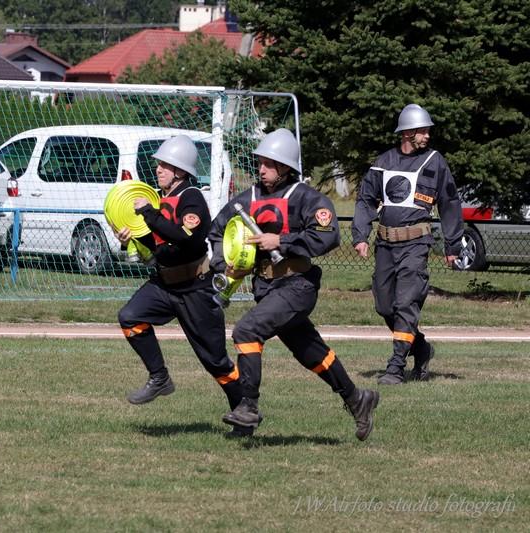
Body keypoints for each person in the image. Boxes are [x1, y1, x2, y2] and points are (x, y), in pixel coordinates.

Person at [208, 128, 379, 441]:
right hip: (266, 289)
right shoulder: (247, 199)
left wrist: (281, 241)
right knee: (310, 351)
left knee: (246, 330)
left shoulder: (307, 198)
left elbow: (328, 236)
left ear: (285, 167)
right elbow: (217, 232)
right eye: (260, 162)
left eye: (269, 163)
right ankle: (358, 399)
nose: (261, 169)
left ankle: (248, 407)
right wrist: (224, 262)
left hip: (297, 286)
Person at [116, 135, 245, 434]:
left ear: (181, 171)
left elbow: (185, 238)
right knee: (130, 317)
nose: (158, 169)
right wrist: (130, 238)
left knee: (215, 361)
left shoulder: (192, 198)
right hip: (164, 285)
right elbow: (158, 244)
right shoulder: (159, 199)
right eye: (159, 164)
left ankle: (244, 409)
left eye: (165, 165)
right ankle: (159, 378)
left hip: (195, 288)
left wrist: (148, 213)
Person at [352, 104, 464, 385]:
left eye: (427, 131)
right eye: (422, 131)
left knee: (406, 303)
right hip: (385, 245)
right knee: (384, 306)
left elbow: (450, 203)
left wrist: (452, 246)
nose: (427, 136)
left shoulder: (435, 162)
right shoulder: (383, 162)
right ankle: (421, 347)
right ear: (407, 133)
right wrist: (360, 235)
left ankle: (396, 366)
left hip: (416, 245)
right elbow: (365, 199)